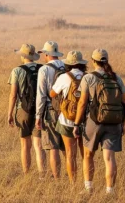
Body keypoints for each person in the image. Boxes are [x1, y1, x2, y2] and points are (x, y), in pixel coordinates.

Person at [74, 49, 125, 195]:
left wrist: (77, 124)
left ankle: (88, 188)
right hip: (114, 121)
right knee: (109, 158)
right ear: (107, 61)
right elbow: (124, 103)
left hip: (94, 121)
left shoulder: (88, 78)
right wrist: (122, 123)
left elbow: (82, 103)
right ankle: (110, 191)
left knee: (88, 155)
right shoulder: (116, 78)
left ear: (93, 61)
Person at [7, 44, 46, 175]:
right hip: (40, 110)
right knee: (39, 146)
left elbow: (13, 95)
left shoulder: (17, 71)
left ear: (23, 56)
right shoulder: (42, 69)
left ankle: (26, 174)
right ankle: (42, 175)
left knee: (25, 146)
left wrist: (10, 114)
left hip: (23, 110)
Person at [50, 51, 87, 184]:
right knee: (86, 155)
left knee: (70, 154)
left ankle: (73, 184)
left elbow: (53, 93)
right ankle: (87, 182)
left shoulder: (64, 77)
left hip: (67, 120)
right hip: (85, 121)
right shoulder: (87, 77)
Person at [35, 41, 65, 178]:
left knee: (53, 147)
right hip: (67, 110)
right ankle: (72, 177)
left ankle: (56, 178)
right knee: (67, 147)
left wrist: (38, 116)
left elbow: (41, 95)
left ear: (47, 54)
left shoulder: (44, 69)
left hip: (50, 109)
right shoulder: (66, 66)